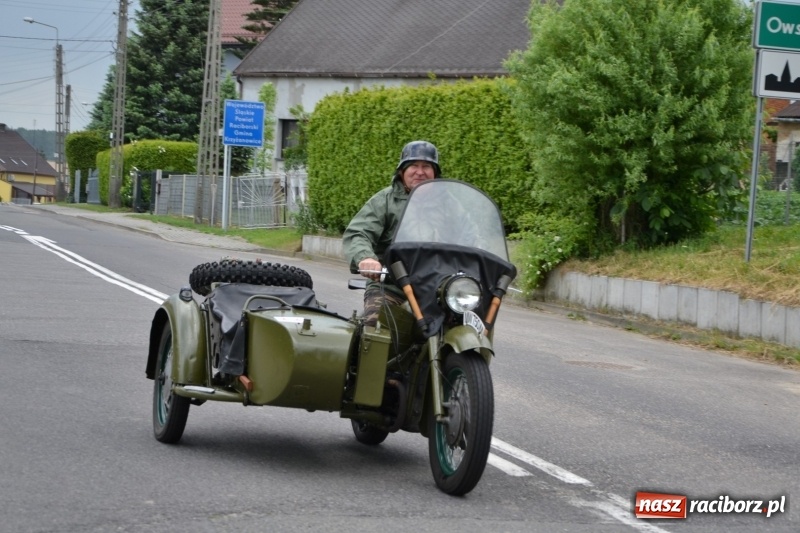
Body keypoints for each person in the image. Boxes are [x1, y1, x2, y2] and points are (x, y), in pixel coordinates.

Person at [342, 140, 441, 326]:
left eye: (426, 166)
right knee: (374, 328)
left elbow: (471, 235)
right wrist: (366, 258)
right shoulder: (385, 201)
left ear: (435, 172)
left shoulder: (449, 205)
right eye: (413, 165)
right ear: (402, 171)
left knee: (468, 324)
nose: (420, 172)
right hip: (390, 287)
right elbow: (358, 232)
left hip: (437, 290)